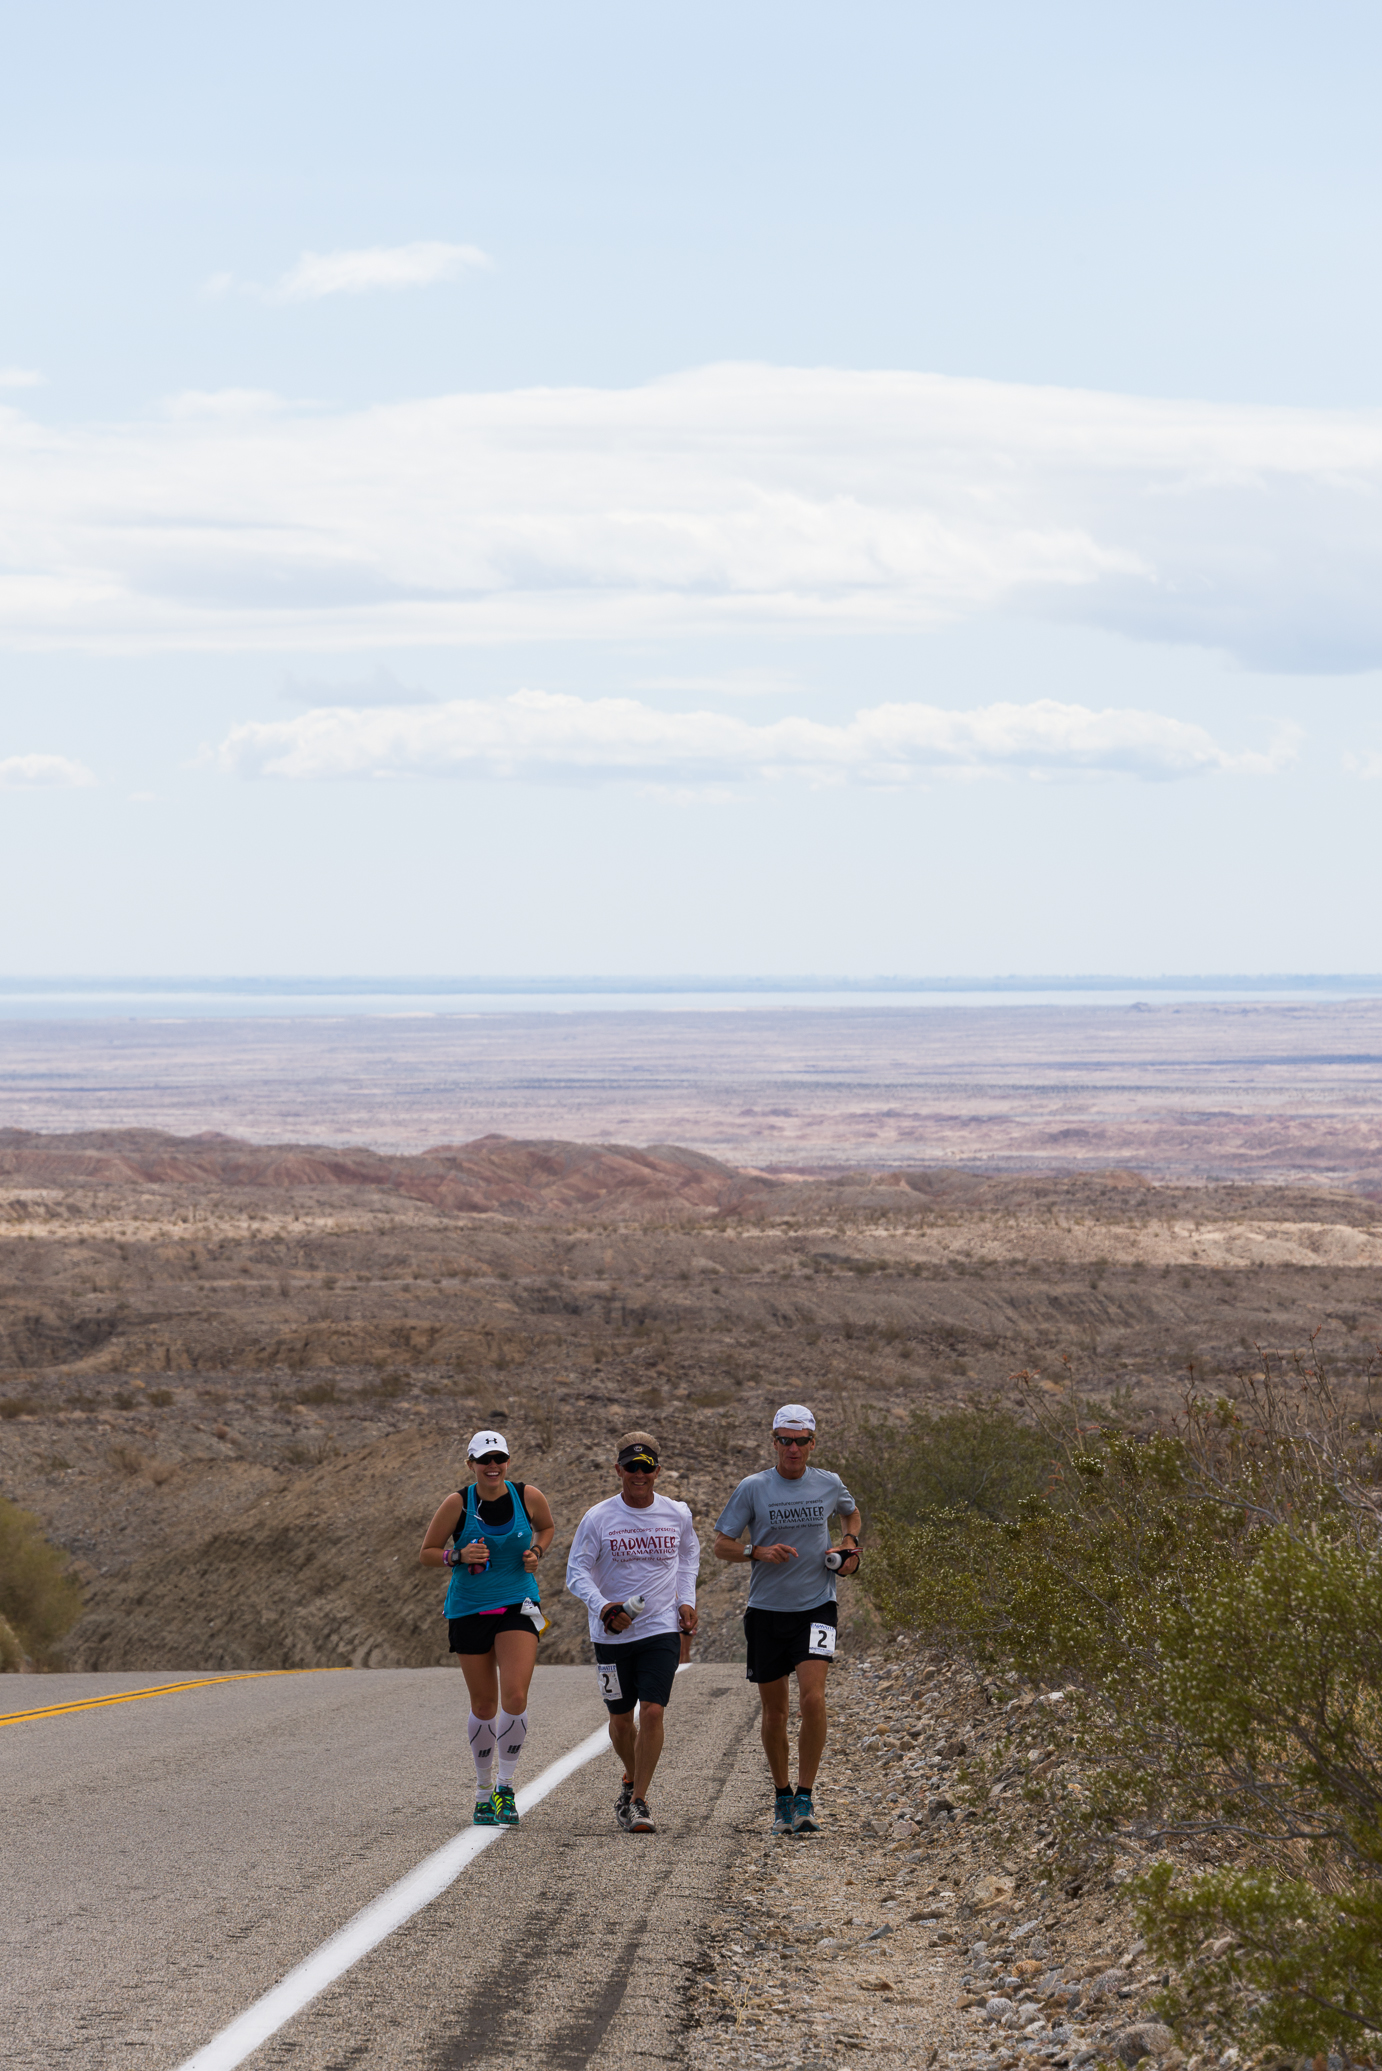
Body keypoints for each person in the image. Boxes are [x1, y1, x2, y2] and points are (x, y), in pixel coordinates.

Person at [713, 1403, 860, 1835]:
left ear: (813, 1443)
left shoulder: (828, 1484)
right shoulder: (753, 1488)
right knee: (775, 1712)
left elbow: (851, 1511)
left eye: (801, 1441)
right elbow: (721, 1545)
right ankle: (781, 1797)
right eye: (784, 1440)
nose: (792, 1449)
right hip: (766, 1612)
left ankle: (806, 1795)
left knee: (813, 1699)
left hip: (817, 1606)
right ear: (773, 1441)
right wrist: (756, 1552)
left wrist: (848, 1543)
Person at [565, 1430, 699, 1833]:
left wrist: (686, 1600)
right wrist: (605, 1607)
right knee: (622, 1721)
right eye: (630, 1468)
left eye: (646, 1468)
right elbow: (576, 1573)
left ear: (657, 1471)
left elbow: (689, 1555)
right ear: (618, 1469)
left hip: (660, 1628)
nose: (638, 1475)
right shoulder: (598, 1517)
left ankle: (639, 1801)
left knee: (653, 1711)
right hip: (611, 1634)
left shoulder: (677, 1513)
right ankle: (631, 1777)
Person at [420, 1429, 555, 1827]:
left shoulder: (527, 1496)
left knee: (514, 1695)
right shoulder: (457, 1504)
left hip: (518, 1604)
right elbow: (427, 1553)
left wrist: (536, 1552)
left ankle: (505, 1789)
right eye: (485, 1461)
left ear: (507, 1462)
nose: (493, 1466)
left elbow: (546, 1528)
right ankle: (481, 1794)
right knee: (484, 1706)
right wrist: (456, 1555)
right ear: (471, 1465)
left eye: (499, 1459)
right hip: (469, 1609)